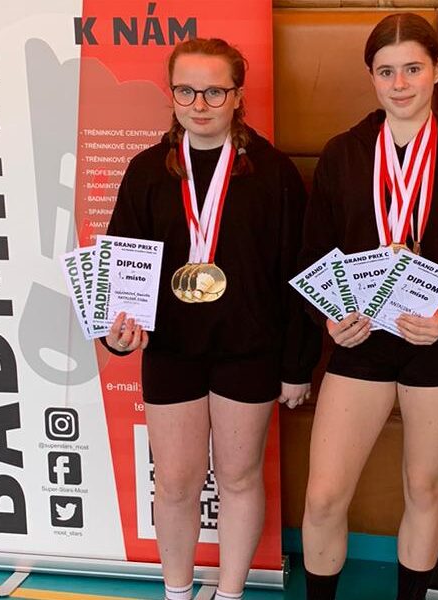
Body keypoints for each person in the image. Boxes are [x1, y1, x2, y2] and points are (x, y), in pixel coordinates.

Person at [299, 13, 438, 600]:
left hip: (436, 345)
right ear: (371, 76)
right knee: (323, 496)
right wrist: (330, 319)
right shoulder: (343, 154)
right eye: (386, 71)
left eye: (413, 69)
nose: (400, 84)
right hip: (360, 341)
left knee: (424, 487)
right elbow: (314, 256)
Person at [102, 37, 319, 600]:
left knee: (239, 477)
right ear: (171, 94)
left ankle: (230, 593)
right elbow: (121, 268)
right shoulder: (146, 172)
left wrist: (297, 366)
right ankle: (176, 592)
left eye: (214, 91)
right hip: (171, 350)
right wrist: (118, 332)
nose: (199, 104)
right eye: (186, 91)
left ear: (238, 95)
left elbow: (299, 275)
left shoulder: (273, 173)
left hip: (250, 350)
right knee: (175, 482)